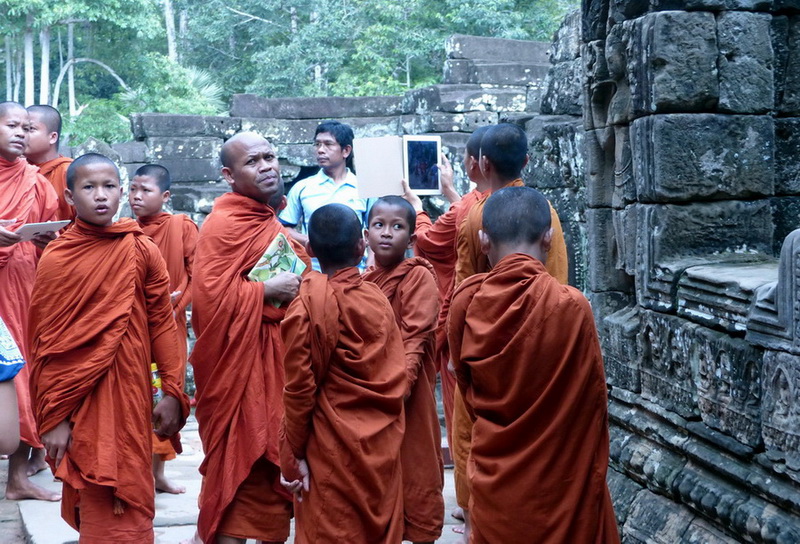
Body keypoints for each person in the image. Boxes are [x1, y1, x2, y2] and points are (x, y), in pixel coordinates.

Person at [27, 153, 190, 541]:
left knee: (133, 494)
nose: (101, 196)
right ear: (69, 195)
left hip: (130, 394)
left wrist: (172, 390)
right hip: (79, 403)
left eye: (109, 186)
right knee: (96, 497)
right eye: (88, 187)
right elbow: (45, 344)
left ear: (121, 190)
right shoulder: (58, 257)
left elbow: (161, 324)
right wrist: (53, 418)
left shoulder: (140, 249)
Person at [448, 186, 619, 543]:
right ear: (549, 238)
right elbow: (592, 402)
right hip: (561, 478)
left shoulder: (467, 302)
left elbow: (465, 388)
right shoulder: (571, 305)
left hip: (497, 473)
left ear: (482, 241)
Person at [450, 122, 569, 542]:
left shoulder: (477, 216)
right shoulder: (545, 210)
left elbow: (465, 291)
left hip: (492, 353)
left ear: (481, 163)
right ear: (528, 161)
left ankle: (478, 520)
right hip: (551, 344)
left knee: (480, 437)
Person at [189, 132, 310, 544]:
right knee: (237, 478)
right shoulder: (223, 224)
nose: (267, 166)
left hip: (276, 366)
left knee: (274, 482)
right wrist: (264, 291)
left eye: (270, 157)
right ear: (228, 174)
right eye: (253, 161)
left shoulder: (270, 222)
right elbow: (207, 304)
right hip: (237, 376)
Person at [280, 203, 406, 543]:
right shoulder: (377, 299)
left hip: (330, 448)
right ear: (361, 246)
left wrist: (293, 451)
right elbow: (395, 371)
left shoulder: (307, 304)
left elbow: (298, 389)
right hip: (380, 443)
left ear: (309, 249)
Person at [403, 126, 491, 453]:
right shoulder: (517, 201)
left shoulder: (464, 208)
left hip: (464, 322)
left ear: (473, 164)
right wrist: (452, 194)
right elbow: (466, 215)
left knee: (463, 409)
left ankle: (468, 499)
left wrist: (417, 207)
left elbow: (428, 240)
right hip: (503, 319)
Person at [363, 196, 444, 544]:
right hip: (372, 395)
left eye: (397, 227)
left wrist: (399, 389)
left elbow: (415, 338)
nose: (386, 233)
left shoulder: (418, 277)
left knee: (416, 463)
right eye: (379, 225)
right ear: (366, 234)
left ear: (411, 239)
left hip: (407, 395)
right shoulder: (365, 282)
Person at [0, 101, 60, 502]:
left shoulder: (37, 182)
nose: (20, 133)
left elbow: (51, 239)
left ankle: (18, 479)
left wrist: (46, 241)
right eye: (11, 125)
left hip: (20, 283)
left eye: (26, 127)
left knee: (21, 374)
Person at [129, 163, 198, 495]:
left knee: (165, 398)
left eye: (146, 190)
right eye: (132, 189)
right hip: (133, 332)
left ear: (165, 196)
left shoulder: (181, 226)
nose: (136, 196)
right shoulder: (125, 231)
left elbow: (197, 275)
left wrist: (172, 304)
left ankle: (158, 474)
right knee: (134, 401)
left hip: (168, 329)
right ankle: (138, 472)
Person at [279, 120, 370, 270]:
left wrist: (371, 264)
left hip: (356, 273)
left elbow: (374, 230)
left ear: (346, 151)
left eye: (328, 144)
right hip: (313, 272)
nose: (320, 150)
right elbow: (284, 228)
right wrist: (314, 242)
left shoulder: (364, 187)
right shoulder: (302, 188)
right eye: (317, 144)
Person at [25, 104, 75, 222]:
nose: (22, 134)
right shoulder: (15, 171)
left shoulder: (70, 172)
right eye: (21, 129)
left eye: (30, 129)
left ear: (52, 137)